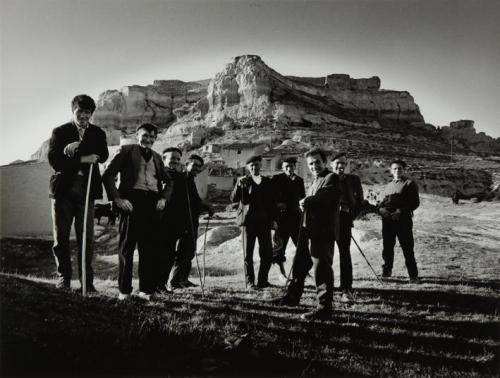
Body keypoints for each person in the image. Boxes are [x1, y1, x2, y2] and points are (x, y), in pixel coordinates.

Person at [102, 123, 172, 301]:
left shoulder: (157, 157)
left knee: (148, 249)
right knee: (127, 248)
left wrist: (163, 198)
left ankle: (146, 290)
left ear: (155, 139)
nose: (148, 140)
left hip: (152, 205)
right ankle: (124, 291)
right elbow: (108, 174)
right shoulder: (126, 150)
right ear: (137, 135)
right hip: (131, 203)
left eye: (152, 137)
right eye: (145, 136)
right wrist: (118, 199)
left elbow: (169, 181)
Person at [48, 94, 109, 292]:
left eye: (87, 112)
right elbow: (55, 161)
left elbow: (103, 155)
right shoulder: (60, 132)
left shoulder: (98, 133)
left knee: (87, 238)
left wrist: (79, 149)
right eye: (80, 111)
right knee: (61, 237)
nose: (83, 116)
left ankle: (87, 283)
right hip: (63, 191)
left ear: (92, 114)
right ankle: (63, 278)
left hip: (87, 191)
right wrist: (81, 157)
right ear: (73, 111)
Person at [273, 148, 340, 321]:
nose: (314, 166)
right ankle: (292, 298)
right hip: (308, 233)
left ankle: (324, 308)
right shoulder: (314, 181)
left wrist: (306, 201)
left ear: (324, 162)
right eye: (310, 163)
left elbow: (323, 198)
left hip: (322, 234)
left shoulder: (331, 178)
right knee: (300, 266)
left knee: (321, 271)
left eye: (317, 162)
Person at [160, 152, 214, 290]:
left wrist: (205, 206)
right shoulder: (180, 178)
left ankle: (182, 280)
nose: (196, 168)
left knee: (189, 252)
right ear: (186, 164)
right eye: (194, 165)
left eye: (199, 166)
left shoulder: (190, 180)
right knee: (174, 253)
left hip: (191, 222)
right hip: (177, 222)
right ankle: (172, 282)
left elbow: (194, 201)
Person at [230, 155, 277, 289]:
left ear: (260, 166)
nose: (254, 167)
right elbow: (233, 199)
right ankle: (250, 282)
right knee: (248, 255)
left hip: (264, 223)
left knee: (267, 254)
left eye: (257, 165)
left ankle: (263, 281)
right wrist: (238, 185)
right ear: (248, 168)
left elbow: (272, 203)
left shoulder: (267, 182)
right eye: (251, 165)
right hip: (248, 223)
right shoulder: (243, 181)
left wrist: (273, 220)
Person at [378, 159, 420, 283]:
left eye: (400, 168)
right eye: (395, 169)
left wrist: (400, 211)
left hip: (403, 221)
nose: (397, 171)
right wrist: (381, 210)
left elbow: (415, 202)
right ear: (391, 170)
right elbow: (382, 203)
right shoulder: (388, 185)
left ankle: (413, 276)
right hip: (388, 222)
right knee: (387, 248)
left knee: (407, 248)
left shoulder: (409, 183)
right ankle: (387, 272)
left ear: (404, 170)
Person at [330, 152, 363, 301]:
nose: (340, 166)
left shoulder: (353, 179)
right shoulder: (327, 178)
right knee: (326, 255)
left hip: (344, 220)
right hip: (328, 221)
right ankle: (327, 286)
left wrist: (351, 215)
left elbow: (360, 201)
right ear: (332, 165)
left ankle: (346, 287)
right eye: (337, 163)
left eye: (343, 163)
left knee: (345, 254)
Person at [271, 157, 306, 278]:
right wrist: (277, 205)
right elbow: (270, 199)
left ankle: (302, 272)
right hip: (281, 220)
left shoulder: (299, 180)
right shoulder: (276, 179)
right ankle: (281, 273)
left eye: (291, 166)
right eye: (286, 166)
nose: (289, 169)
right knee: (279, 248)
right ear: (282, 168)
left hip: (296, 219)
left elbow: (302, 198)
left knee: (301, 248)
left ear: (294, 167)